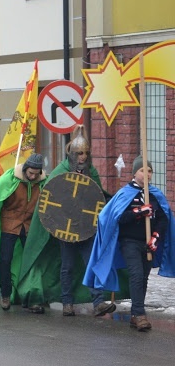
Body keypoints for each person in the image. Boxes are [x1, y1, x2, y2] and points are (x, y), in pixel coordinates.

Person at [17, 127, 116, 316]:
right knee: (67, 267)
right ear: (71, 153)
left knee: (91, 264)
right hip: (66, 229)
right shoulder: (60, 172)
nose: (82, 157)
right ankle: (67, 303)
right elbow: (50, 199)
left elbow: (98, 198)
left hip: (87, 228)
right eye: (79, 153)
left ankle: (98, 302)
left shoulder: (91, 172)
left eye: (86, 153)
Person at [85, 155, 175, 331]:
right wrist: (139, 211)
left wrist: (156, 237)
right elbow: (117, 218)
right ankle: (140, 315)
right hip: (130, 242)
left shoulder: (155, 195)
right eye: (143, 170)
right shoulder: (125, 194)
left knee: (143, 277)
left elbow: (164, 220)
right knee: (136, 273)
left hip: (148, 243)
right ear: (135, 173)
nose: (147, 174)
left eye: (150, 171)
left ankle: (136, 313)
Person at [0, 153, 47, 312]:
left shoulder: (42, 182)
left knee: (33, 262)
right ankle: (5, 294)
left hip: (30, 226)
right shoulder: (11, 177)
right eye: (30, 173)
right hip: (10, 223)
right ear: (26, 169)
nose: (33, 176)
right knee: (5, 260)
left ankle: (33, 298)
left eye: (36, 174)